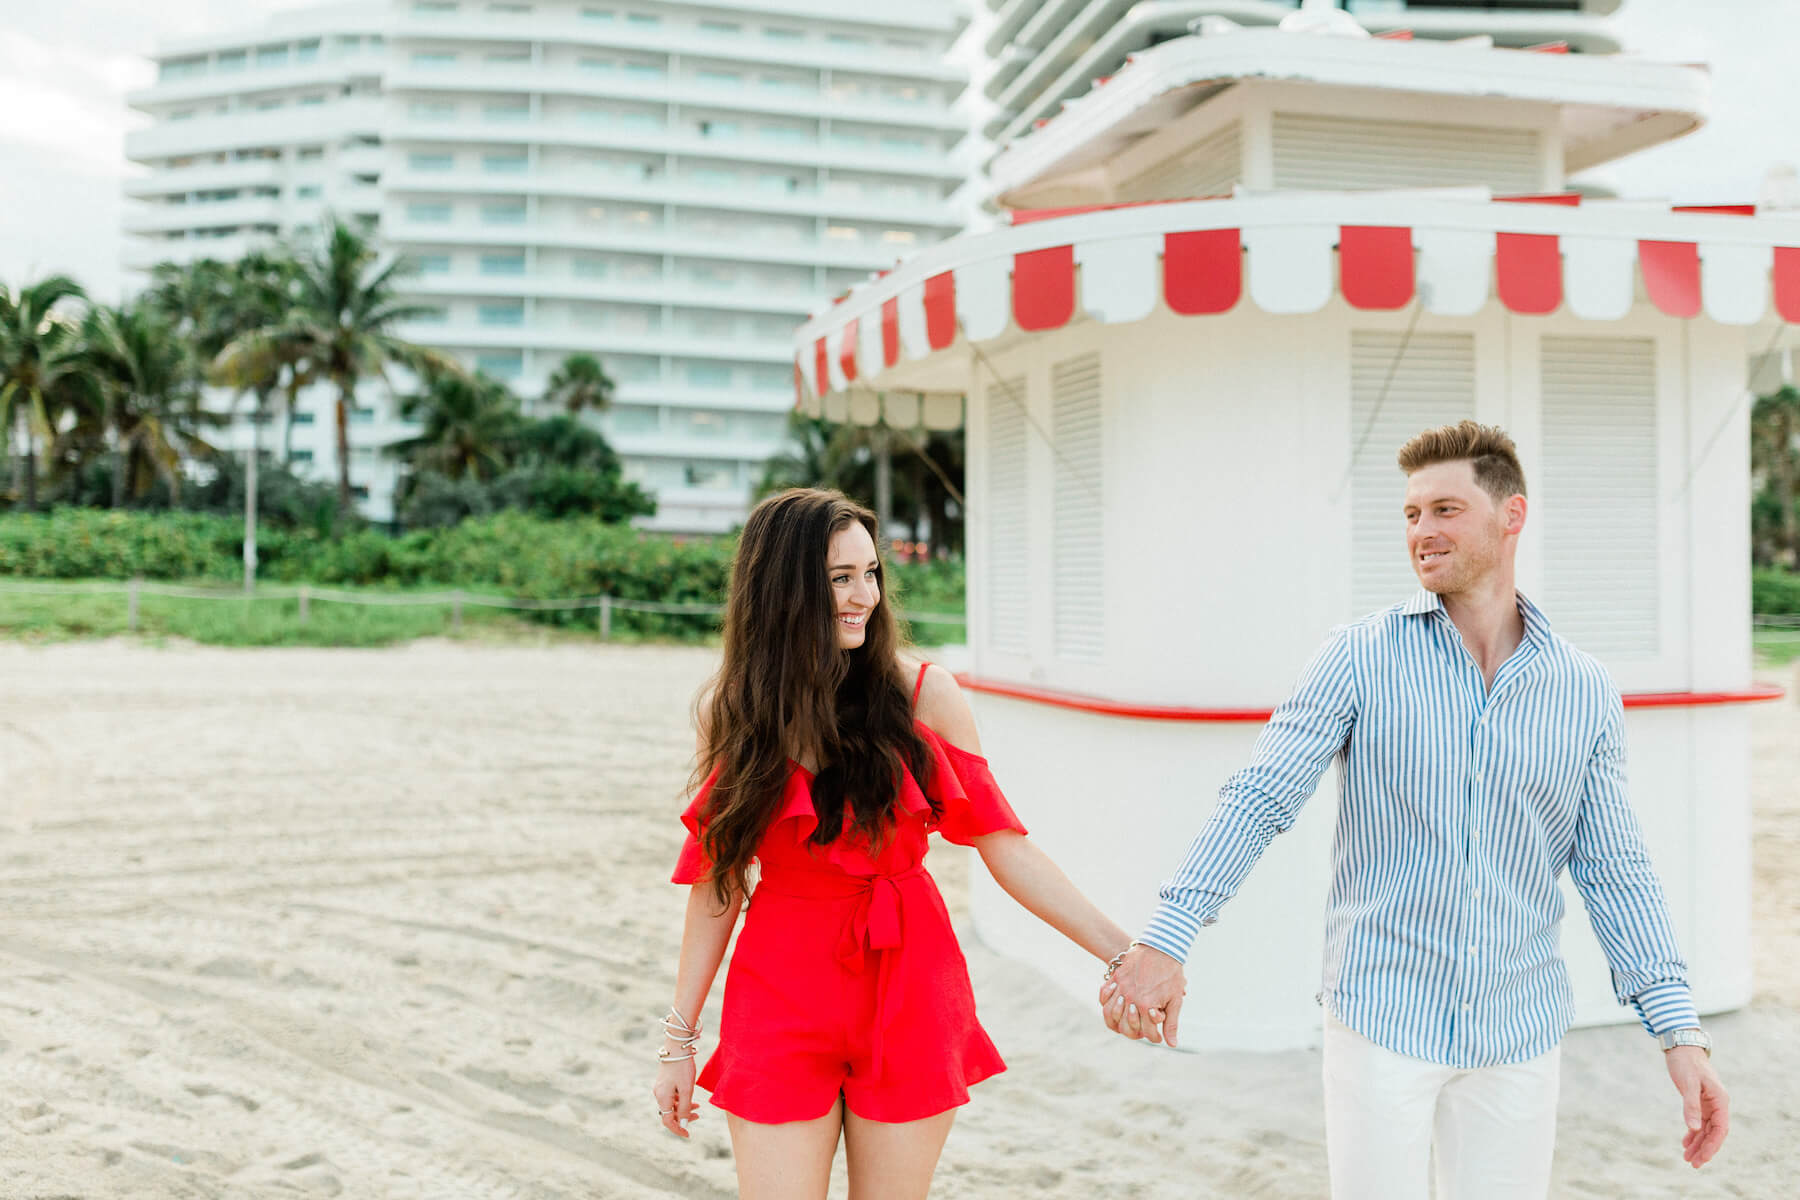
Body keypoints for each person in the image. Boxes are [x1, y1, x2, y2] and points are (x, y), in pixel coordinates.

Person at [1100, 421, 1731, 1199]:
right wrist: (1168, 938)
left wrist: (1679, 1032)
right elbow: (1258, 800)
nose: (1421, 532)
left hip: (1519, 1029)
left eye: (1444, 509)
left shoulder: (1584, 688)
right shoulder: (1359, 656)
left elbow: (1615, 871)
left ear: (1512, 516)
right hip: (1382, 1019)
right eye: (1409, 515)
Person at [654, 487, 1131, 1199]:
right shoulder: (734, 710)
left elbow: (1006, 846)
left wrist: (1123, 953)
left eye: (870, 574)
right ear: (783, 589)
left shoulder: (925, 696)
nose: (863, 596)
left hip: (909, 985)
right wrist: (679, 1040)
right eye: (839, 578)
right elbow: (717, 882)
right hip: (781, 991)